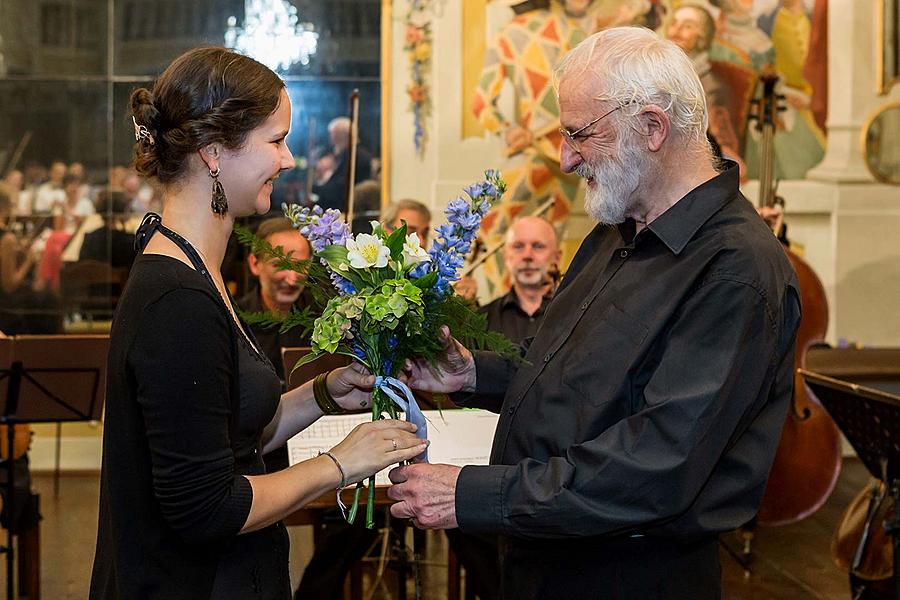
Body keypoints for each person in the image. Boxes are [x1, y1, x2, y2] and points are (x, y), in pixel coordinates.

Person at [388, 27, 802, 599]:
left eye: (579, 134)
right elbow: (570, 370)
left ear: (653, 128)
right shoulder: (616, 231)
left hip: (628, 574)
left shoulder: (736, 271)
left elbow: (657, 464)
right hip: (548, 555)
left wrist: (471, 494)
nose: (564, 158)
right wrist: (473, 374)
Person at [89, 47, 427, 600]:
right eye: (276, 141)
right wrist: (341, 463)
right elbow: (206, 506)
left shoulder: (193, 267)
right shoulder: (176, 300)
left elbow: (232, 432)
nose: (289, 159)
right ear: (215, 152)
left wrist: (320, 395)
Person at [480, 216, 560, 343]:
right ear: (505, 256)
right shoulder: (481, 321)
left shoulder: (577, 315)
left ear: (557, 257)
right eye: (518, 246)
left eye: (538, 246)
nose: (527, 255)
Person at [311, 117, 373, 212]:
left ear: (342, 136)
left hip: (346, 210)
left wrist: (314, 188)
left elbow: (339, 189)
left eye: (333, 136)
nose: (331, 140)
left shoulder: (356, 156)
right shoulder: (347, 154)